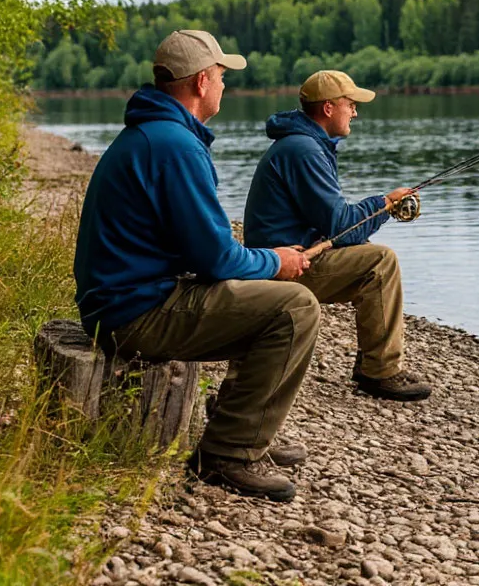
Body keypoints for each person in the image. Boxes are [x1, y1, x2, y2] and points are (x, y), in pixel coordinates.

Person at [73, 29, 317, 502]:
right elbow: (216, 257)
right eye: (223, 76)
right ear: (202, 82)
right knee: (294, 308)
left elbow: (200, 252)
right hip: (135, 313)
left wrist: (254, 264)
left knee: (259, 298)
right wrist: (277, 260)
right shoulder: (175, 146)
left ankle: (242, 426)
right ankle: (228, 452)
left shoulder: (156, 134)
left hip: (122, 301)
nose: (226, 86)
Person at [243, 70, 433, 402]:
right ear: (329, 108)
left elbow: (336, 226)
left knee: (366, 253)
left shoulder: (304, 144)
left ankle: (373, 364)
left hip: (283, 256)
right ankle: (381, 371)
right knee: (380, 262)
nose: (355, 112)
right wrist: (386, 204)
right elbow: (340, 224)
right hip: (280, 269)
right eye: (351, 104)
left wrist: (378, 210)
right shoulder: (303, 150)